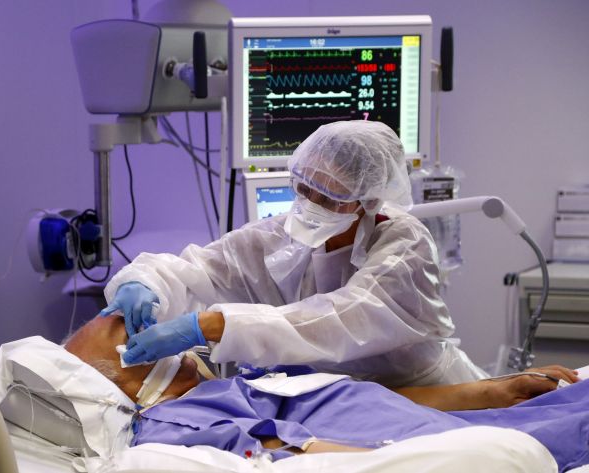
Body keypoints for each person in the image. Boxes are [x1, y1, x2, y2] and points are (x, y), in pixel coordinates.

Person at [104, 120, 484, 387]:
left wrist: (207, 326)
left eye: (329, 198)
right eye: (304, 189)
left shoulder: (404, 244)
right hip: (338, 396)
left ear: (368, 200)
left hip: (422, 392)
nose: (309, 205)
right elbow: (200, 266)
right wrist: (144, 282)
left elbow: (338, 321)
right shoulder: (283, 235)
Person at [63, 314, 586, 471]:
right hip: (447, 447)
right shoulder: (172, 420)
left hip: (469, 424)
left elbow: (360, 399)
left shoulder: (243, 379)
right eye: (131, 331)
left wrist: (492, 392)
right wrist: (427, 460)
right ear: (124, 377)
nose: (154, 324)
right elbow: (283, 449)